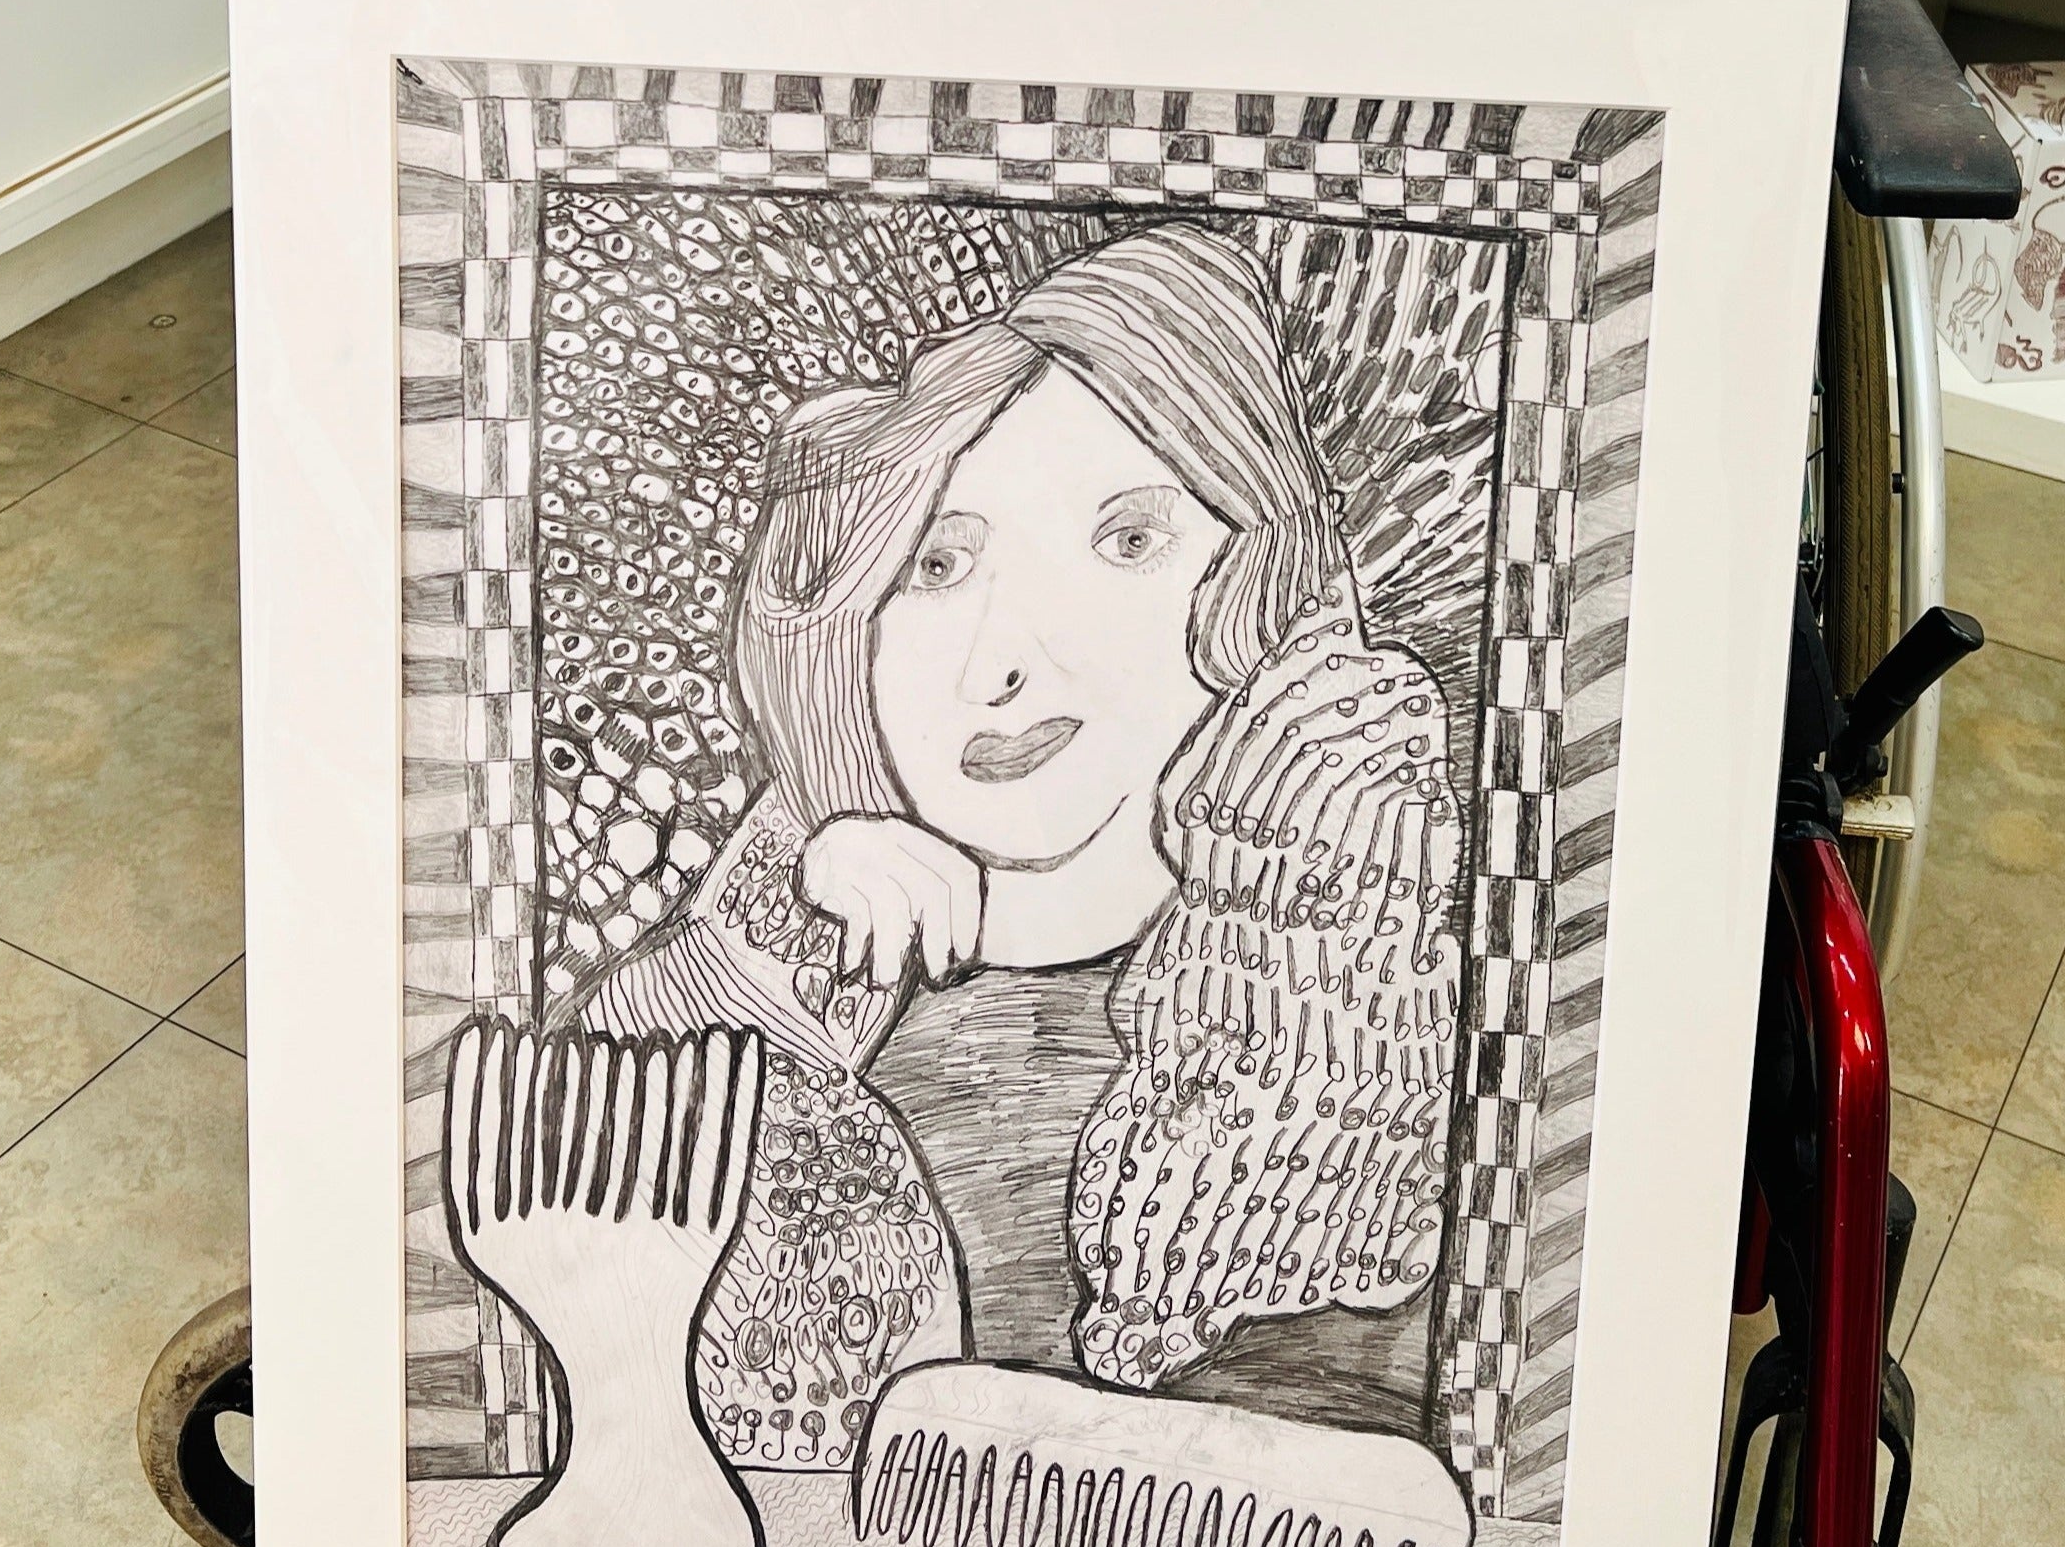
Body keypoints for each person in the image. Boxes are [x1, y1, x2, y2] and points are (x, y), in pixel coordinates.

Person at [524, 224, 1463, 1471]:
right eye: (936, 563)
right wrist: (772, 929)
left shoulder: (1340, 1006)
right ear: (843, 625)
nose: (1005, 659)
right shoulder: (772, 970)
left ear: (1253, 569)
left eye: (1126, 539)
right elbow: (536, 1200)